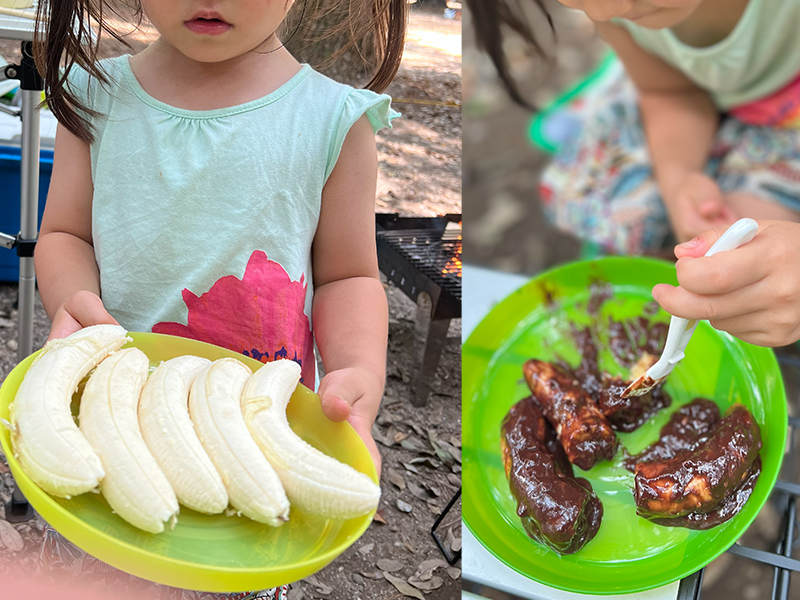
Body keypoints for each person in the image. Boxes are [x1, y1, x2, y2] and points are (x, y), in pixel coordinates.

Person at [29, 0, 407, 597]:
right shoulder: (97, 96)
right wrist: (72, 298)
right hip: (109, 435)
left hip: (253, 446)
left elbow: (348, 277)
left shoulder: (333, 119)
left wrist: (360, 370)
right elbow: (65, 235)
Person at [468, 0, 800, 255]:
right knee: (586, 195)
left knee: (756, 245)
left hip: (790, 114)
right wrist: (680, 180)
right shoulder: (614, 9)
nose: (608, 9)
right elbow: (669, 91)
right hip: (691, 88)